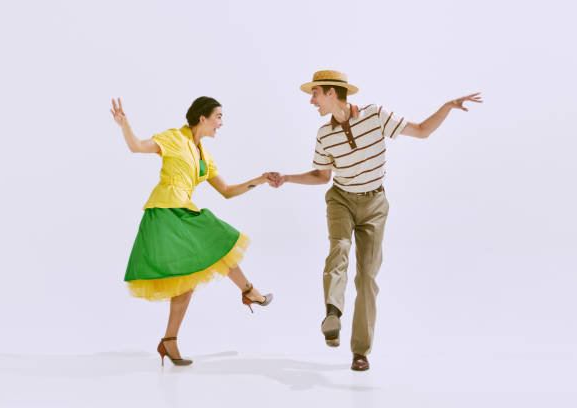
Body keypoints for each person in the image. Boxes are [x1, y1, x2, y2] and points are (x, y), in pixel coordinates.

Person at [267, 70, 482, 371]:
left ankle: (360, 351)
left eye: (314, 93)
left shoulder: (375, 115)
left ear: (332, 93)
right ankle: (333, 313)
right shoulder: (323, 134)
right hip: (341, 199)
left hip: (375, 205)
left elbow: (421, 131)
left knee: (367, 278)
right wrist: (286, 178)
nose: (311, 100)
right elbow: (322, 176)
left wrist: (446, 107)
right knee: (339, 248)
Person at [110, 96, 274, 367]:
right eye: (218, 117)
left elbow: (227, 191)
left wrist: (259, 180)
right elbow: (137, 146)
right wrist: (124, 124)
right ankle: (249, 291)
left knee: (189, 280)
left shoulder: (203, 154)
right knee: (216, 240)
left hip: (182, 212)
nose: (221, 123)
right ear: (203, 118)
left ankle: (169, 341)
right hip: (165, 212)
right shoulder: (175, 138)